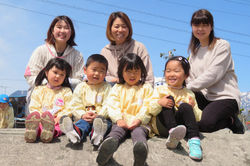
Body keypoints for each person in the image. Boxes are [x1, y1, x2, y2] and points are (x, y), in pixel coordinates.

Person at [186, 9, 244, 134]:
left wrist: (188, 87)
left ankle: (231, 120)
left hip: (225, 97)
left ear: (211, 27)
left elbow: (213, 74)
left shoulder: (222, 45)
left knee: (206, 124)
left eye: (204, 25)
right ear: (192, 27)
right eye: (196, 25)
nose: (200, 29)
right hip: (205, 98)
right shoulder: (194, 52)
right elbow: (189, 78)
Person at [96, 53, 153, 166]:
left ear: (142, 71)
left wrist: (140, 119)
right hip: (121, 121)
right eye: (128, 71)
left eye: (136, 71)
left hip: (139, 123)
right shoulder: (117, 88)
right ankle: (107, 147)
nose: (132, 75)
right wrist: (118, 119)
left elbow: (149, 105)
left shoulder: (146, 87)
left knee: (139, 132)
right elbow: (112, 104)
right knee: (116, 131)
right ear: (121, 72)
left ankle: (140, 151)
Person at [24, 15, 84, 114]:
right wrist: (48, 84)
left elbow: (79, 80)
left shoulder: (77, 55)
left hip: (64, 97)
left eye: (66, 28)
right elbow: (30, 75)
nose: (63, 31)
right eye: (59, 27)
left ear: (71, 32)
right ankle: (36, 118)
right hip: (41, 96)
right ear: (52, 30)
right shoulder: (41, 50)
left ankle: (63, 120)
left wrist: (62, 83)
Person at [149, 56, 202, 160]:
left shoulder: (189, 93)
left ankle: (194, 141)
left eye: (176, 71)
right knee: (168, 99)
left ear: (186, 75)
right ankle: (173, 135)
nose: (171, 74)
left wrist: (193, 107)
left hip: (182, 129)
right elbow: (149, 109)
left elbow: (199, 117)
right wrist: (160, 102)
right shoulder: (160, 90)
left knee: (186, 106)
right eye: (168, 71)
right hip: (163, 127)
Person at [59, 54, 112, 145]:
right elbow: (75, 104)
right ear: (85, 70)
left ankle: (97, 135)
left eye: (101, 71)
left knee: (106, 124)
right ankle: (75, 133)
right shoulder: (80, 87)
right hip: (85, 117)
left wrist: (99, 115)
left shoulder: (107, 87)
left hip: (101, 118)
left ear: (106, 73)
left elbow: (109, 104)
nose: (97, 74)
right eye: (94, 70)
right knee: (81, 124)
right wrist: (82, 115)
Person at [24, 58, 73, 143]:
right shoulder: (38, 89)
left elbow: (69, 107)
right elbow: (34, 106)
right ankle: (33, 131)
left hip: (57, 120)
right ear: (46, 72)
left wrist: (59, 117)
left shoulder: (66, 91)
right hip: (40, 120)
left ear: (65, 77)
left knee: (60, 127)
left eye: (62, 74)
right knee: (37, 125)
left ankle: (49, 132)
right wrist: (39, 118)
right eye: (55, 72)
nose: (58, 76)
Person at [101, 11, 154, 86]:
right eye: (116, 27)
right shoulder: (105, 51)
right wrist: (116, 80)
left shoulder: (139, 47)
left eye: (124, 26)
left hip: (137, 90)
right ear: (110, 29)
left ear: (129, 28)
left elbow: (148, 78)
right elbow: (103, 77)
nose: (120, 30)